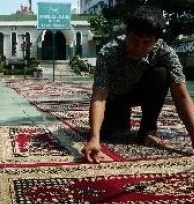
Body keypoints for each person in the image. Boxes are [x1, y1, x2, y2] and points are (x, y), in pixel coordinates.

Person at [82, 5, 194, 163]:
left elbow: (182, 95)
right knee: (112, 135)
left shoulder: (166, 53)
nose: (138, 47)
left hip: (143, 91)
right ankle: (120, 118)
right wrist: (94, 138)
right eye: (134, 40)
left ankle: (147, 130)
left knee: (160, 74)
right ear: (126, 34)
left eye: (146, 42)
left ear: (156, 42)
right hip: (115, 97)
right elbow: (99, 97)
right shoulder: (109, 52)